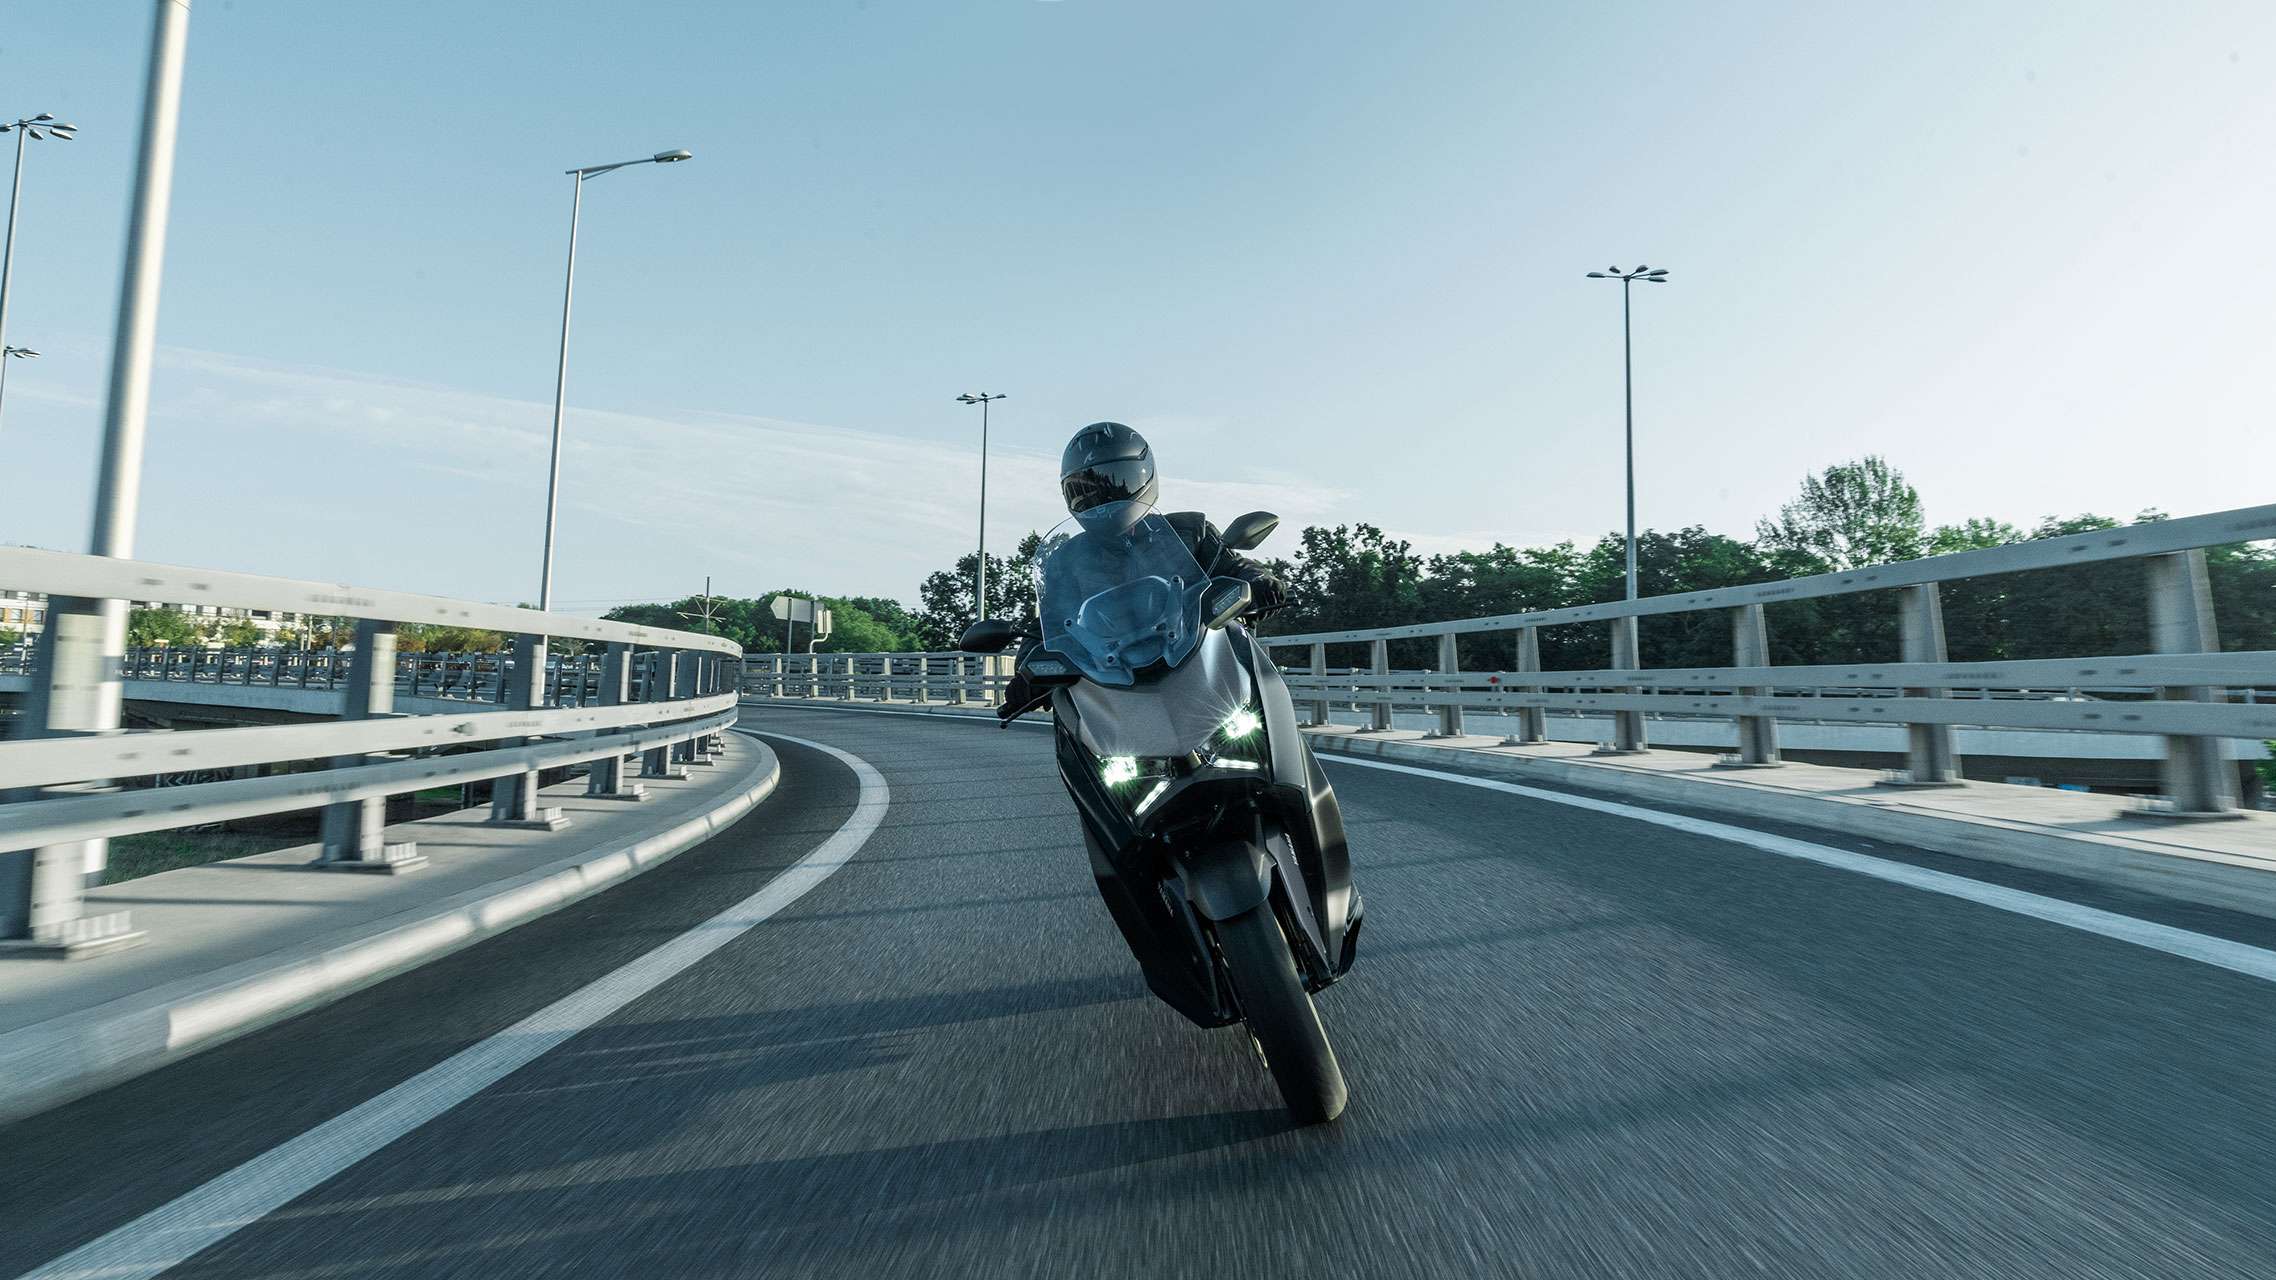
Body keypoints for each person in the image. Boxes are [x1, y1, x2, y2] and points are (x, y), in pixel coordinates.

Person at [997, 421, 1286, 722]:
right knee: (1071, 724)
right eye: (1083, 490)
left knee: (1263, 709)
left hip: (1201, 674)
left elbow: (1234, 566)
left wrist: (1260, 582)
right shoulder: (1067, 561)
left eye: (1115, 481)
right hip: (1112, 694)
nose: (1103, 497)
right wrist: (1028, 672)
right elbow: (1048, 626)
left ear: (1143, 476)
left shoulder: (1190, 533)